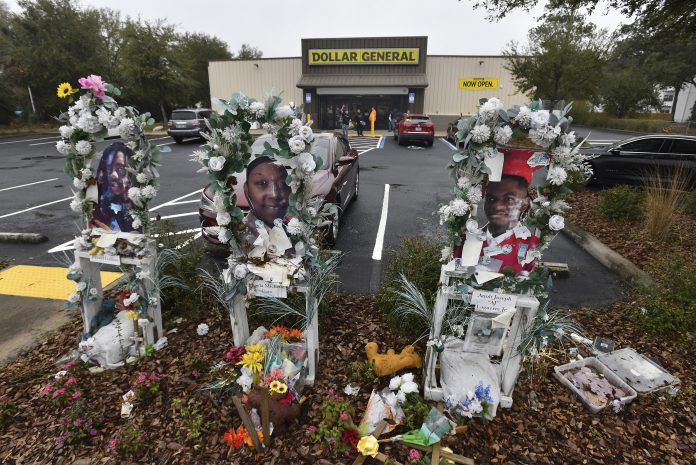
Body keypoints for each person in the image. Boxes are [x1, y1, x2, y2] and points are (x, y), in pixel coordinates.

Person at [480, 151, 543, 275]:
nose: (497, 206)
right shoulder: (467, 239)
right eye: (491, 198)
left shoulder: (531, 245)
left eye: (509, 199)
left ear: (525, 203)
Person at [243, 156, 291, 240]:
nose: (274, 194)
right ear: (247, 190)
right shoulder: (238, 235)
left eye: (282, 184)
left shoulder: (293, 236)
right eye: (261, 183)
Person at [92, 142, 136, 232]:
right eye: (109, 168)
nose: (113, 175)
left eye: (120, 168)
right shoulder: (103, 205)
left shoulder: (138, 199)